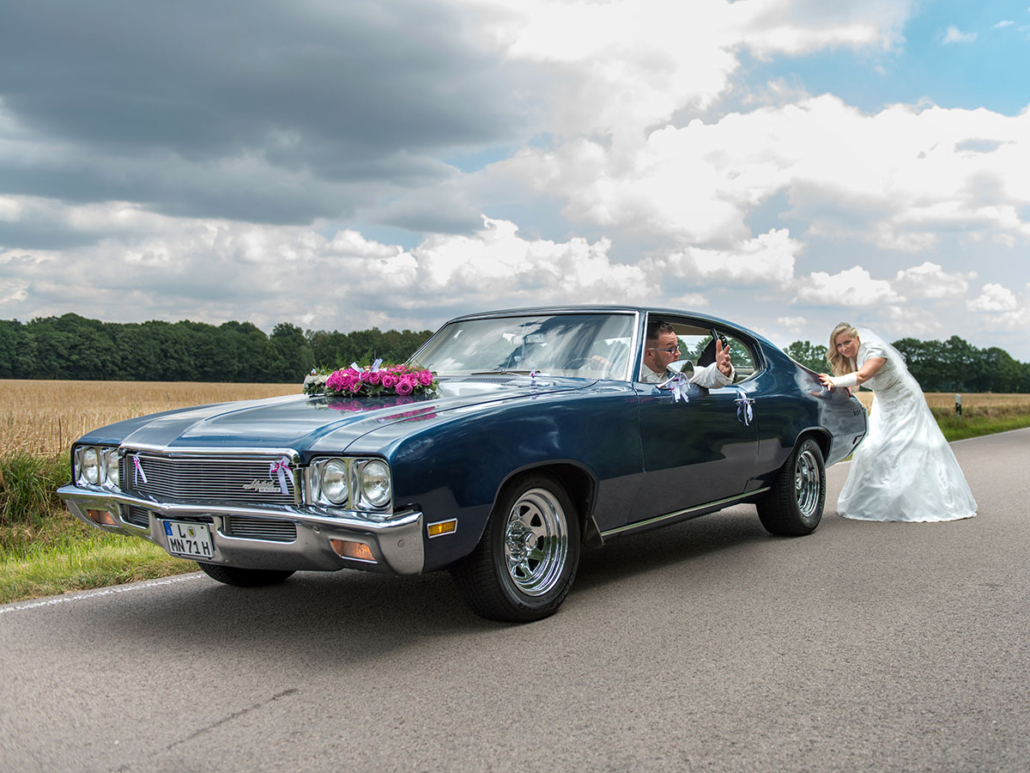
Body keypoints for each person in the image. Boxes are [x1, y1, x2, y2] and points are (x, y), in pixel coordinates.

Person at [818, 323, 976, 522]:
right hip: (884, 404)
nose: (843, 348)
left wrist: (835, 381)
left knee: (904, 447)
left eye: (847, 342)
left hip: (905, 399)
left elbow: (863, 376)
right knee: (872, 447)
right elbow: (855, 382)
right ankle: (879, 502)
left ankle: (913, 501)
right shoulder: (851, 359)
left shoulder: (877, 351)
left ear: (857, 339)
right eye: (839, 345)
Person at [641, 320, 734, 388]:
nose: (678, 353)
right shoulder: (632, 376)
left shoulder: (679, 373)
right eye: (671, 349)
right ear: (649, 354)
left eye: (677, 347)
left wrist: (721, 370)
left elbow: (706, 375)